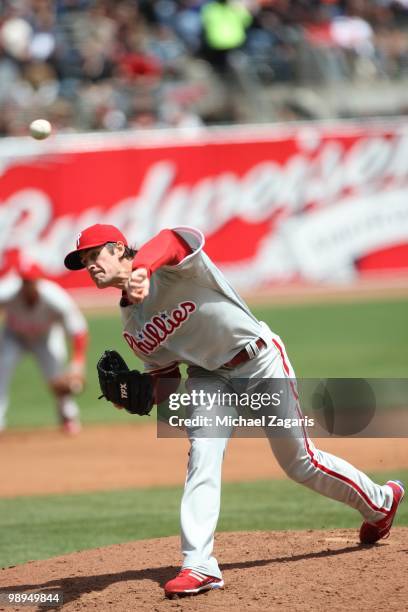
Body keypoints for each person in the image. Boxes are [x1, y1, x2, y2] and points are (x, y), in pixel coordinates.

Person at [64, 223, 404, 597]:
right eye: (84, 262)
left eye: (95, 255)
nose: (90, 266)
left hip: (259, 363)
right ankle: (199, 565)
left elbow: (173, 238)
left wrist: (143, 270)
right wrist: (135, 396)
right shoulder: (132, 322)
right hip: (208, 380)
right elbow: (166, 380)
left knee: (299, 463)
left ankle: (381, 502)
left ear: (117, 248)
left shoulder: (174, 267)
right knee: (203, 456)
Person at [0, 259, 88, 435]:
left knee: (57, 377)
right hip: (14, 337)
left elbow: (78, 330)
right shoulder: (7, 292)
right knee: (2, 370)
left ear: (38, 281)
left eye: (30, 281)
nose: (26, 285)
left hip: (45, 338)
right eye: (24, 281)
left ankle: (68, 417)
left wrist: (78, 363)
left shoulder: (56, 298)